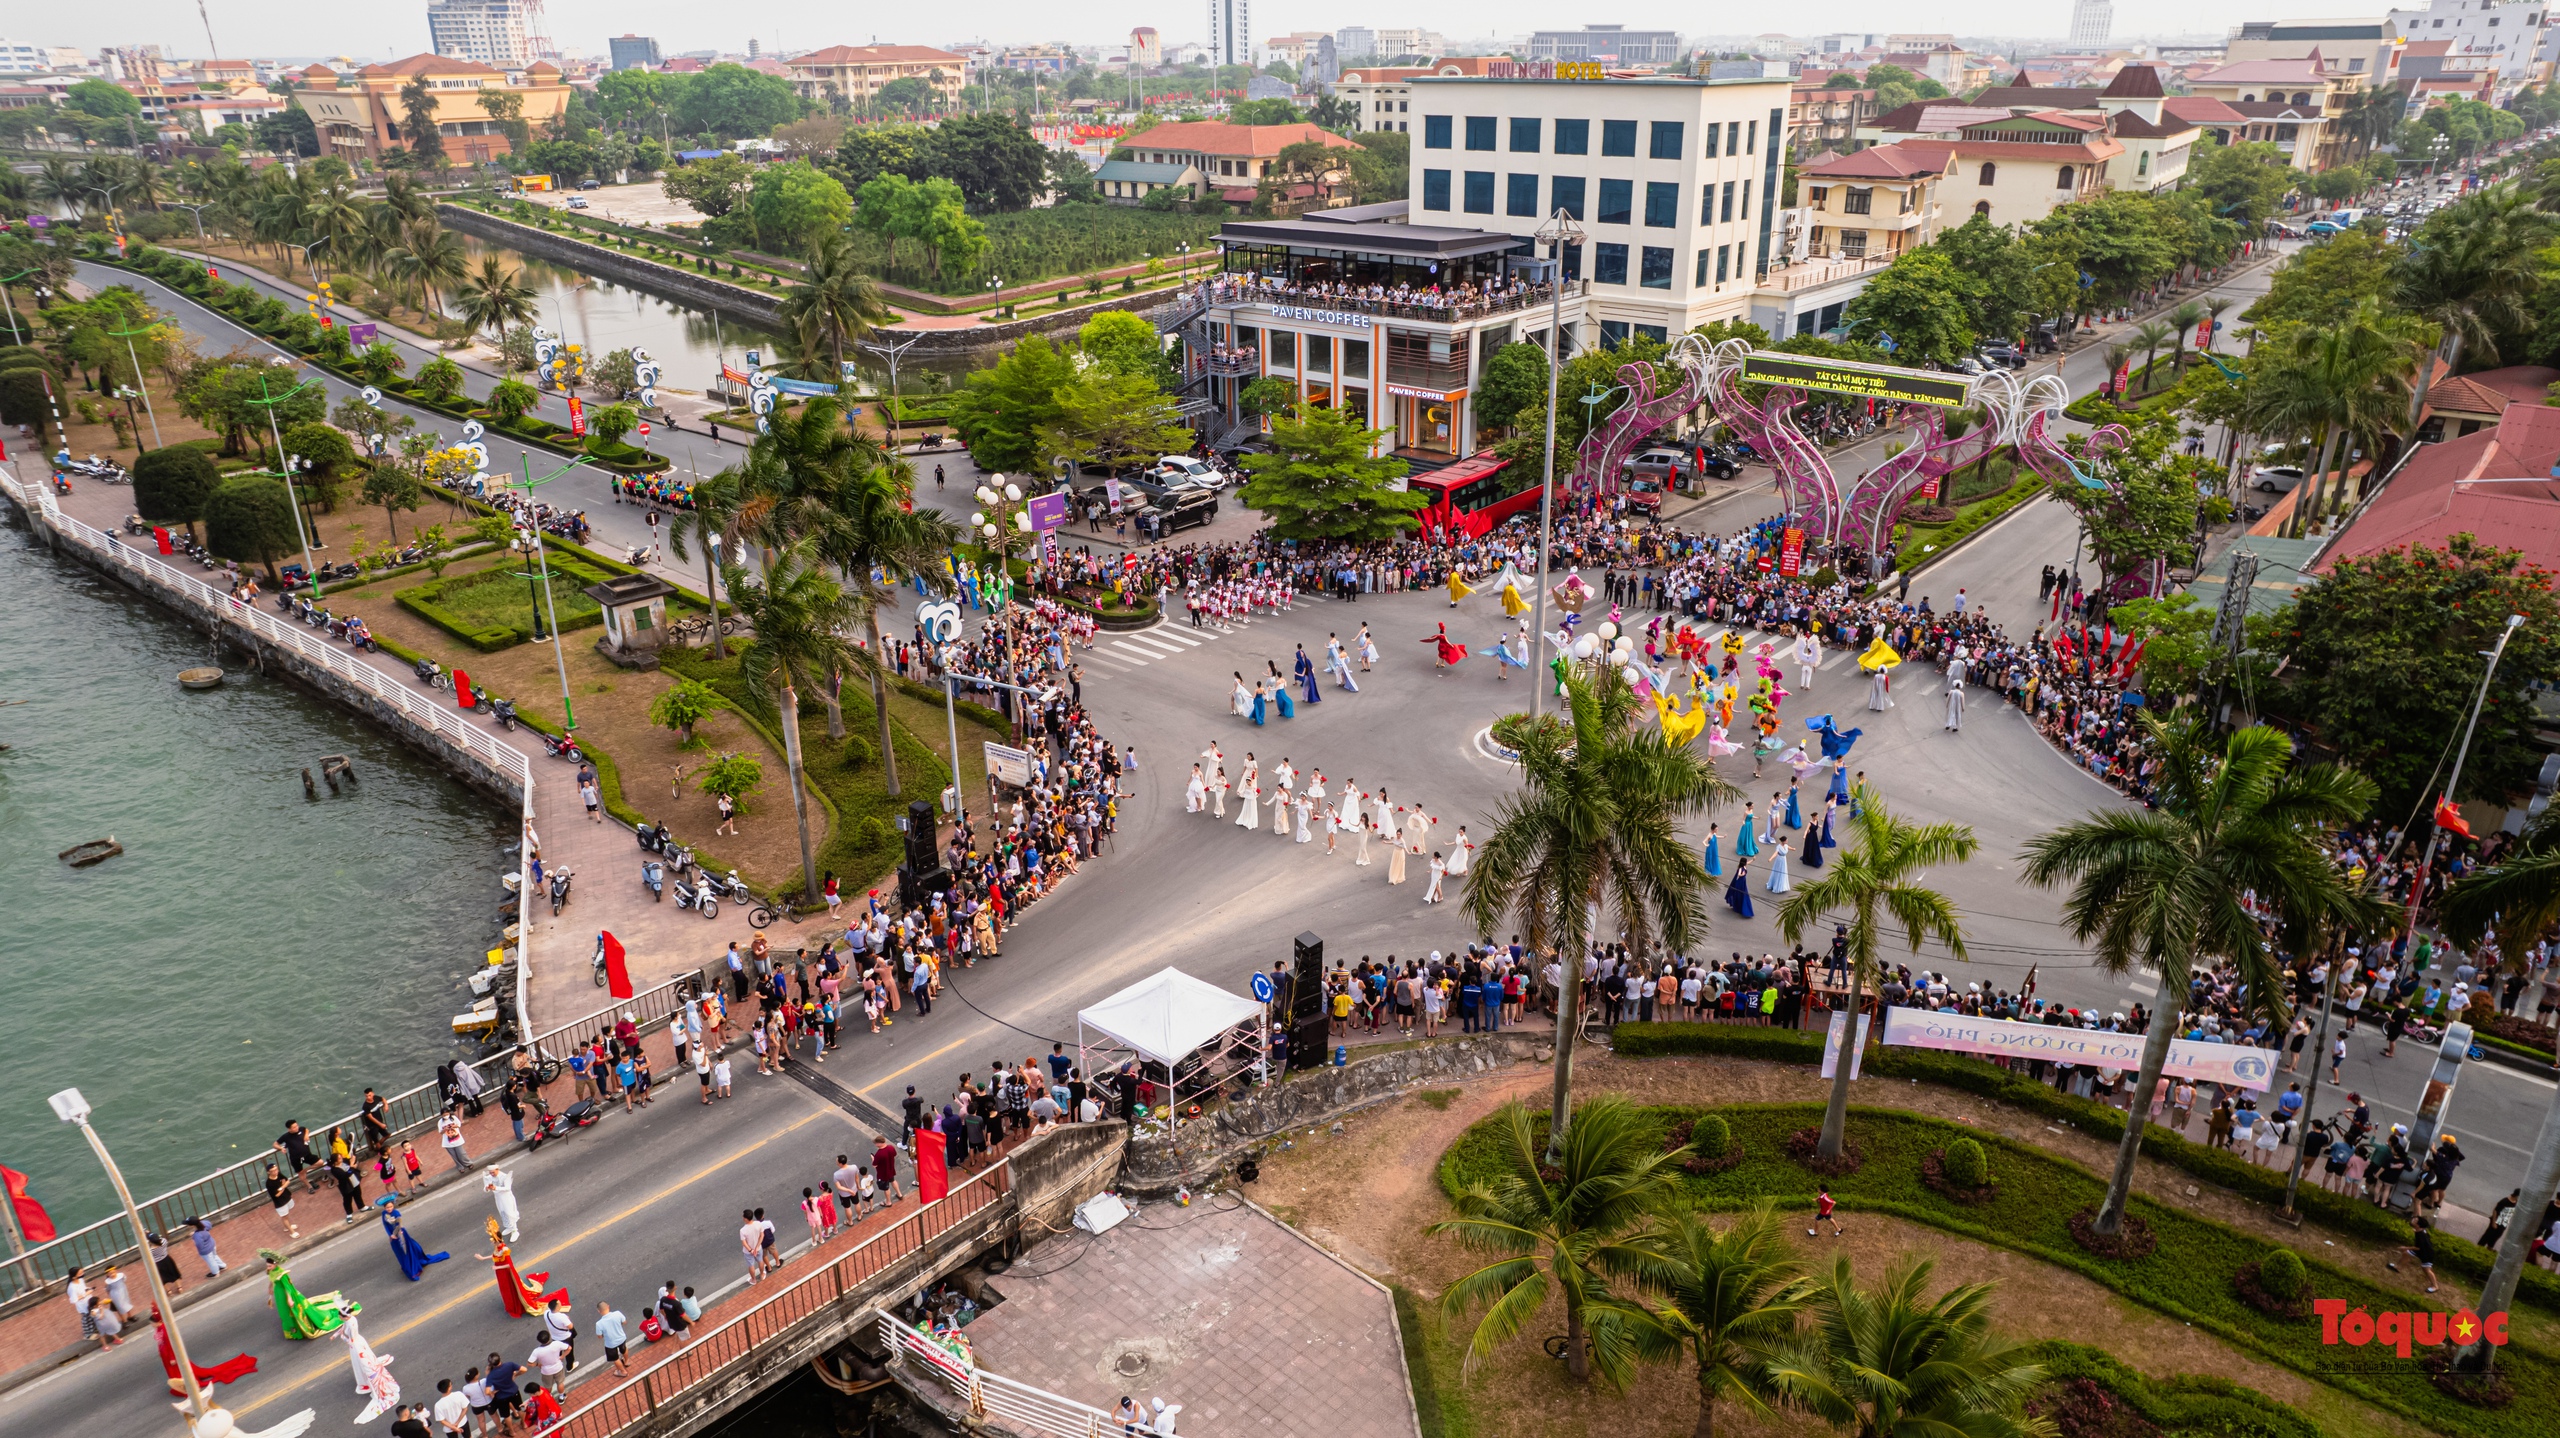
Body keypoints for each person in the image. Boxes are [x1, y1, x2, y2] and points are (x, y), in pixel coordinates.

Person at [381, 1198, 449, 1282]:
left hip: (400, 1235)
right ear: (384, 1208)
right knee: (399, 1252)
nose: (389, 1209)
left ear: (393, 1205)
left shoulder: (396, 1213)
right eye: (387, 1207)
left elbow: (399, 1225)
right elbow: (386, 1225)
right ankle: (406, 1266)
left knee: (406, 1252)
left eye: (391, 1206)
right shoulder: (384, 1214)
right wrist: (390, 1235)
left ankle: (412, 1270)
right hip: (392, 1236)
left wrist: (394, 1234)